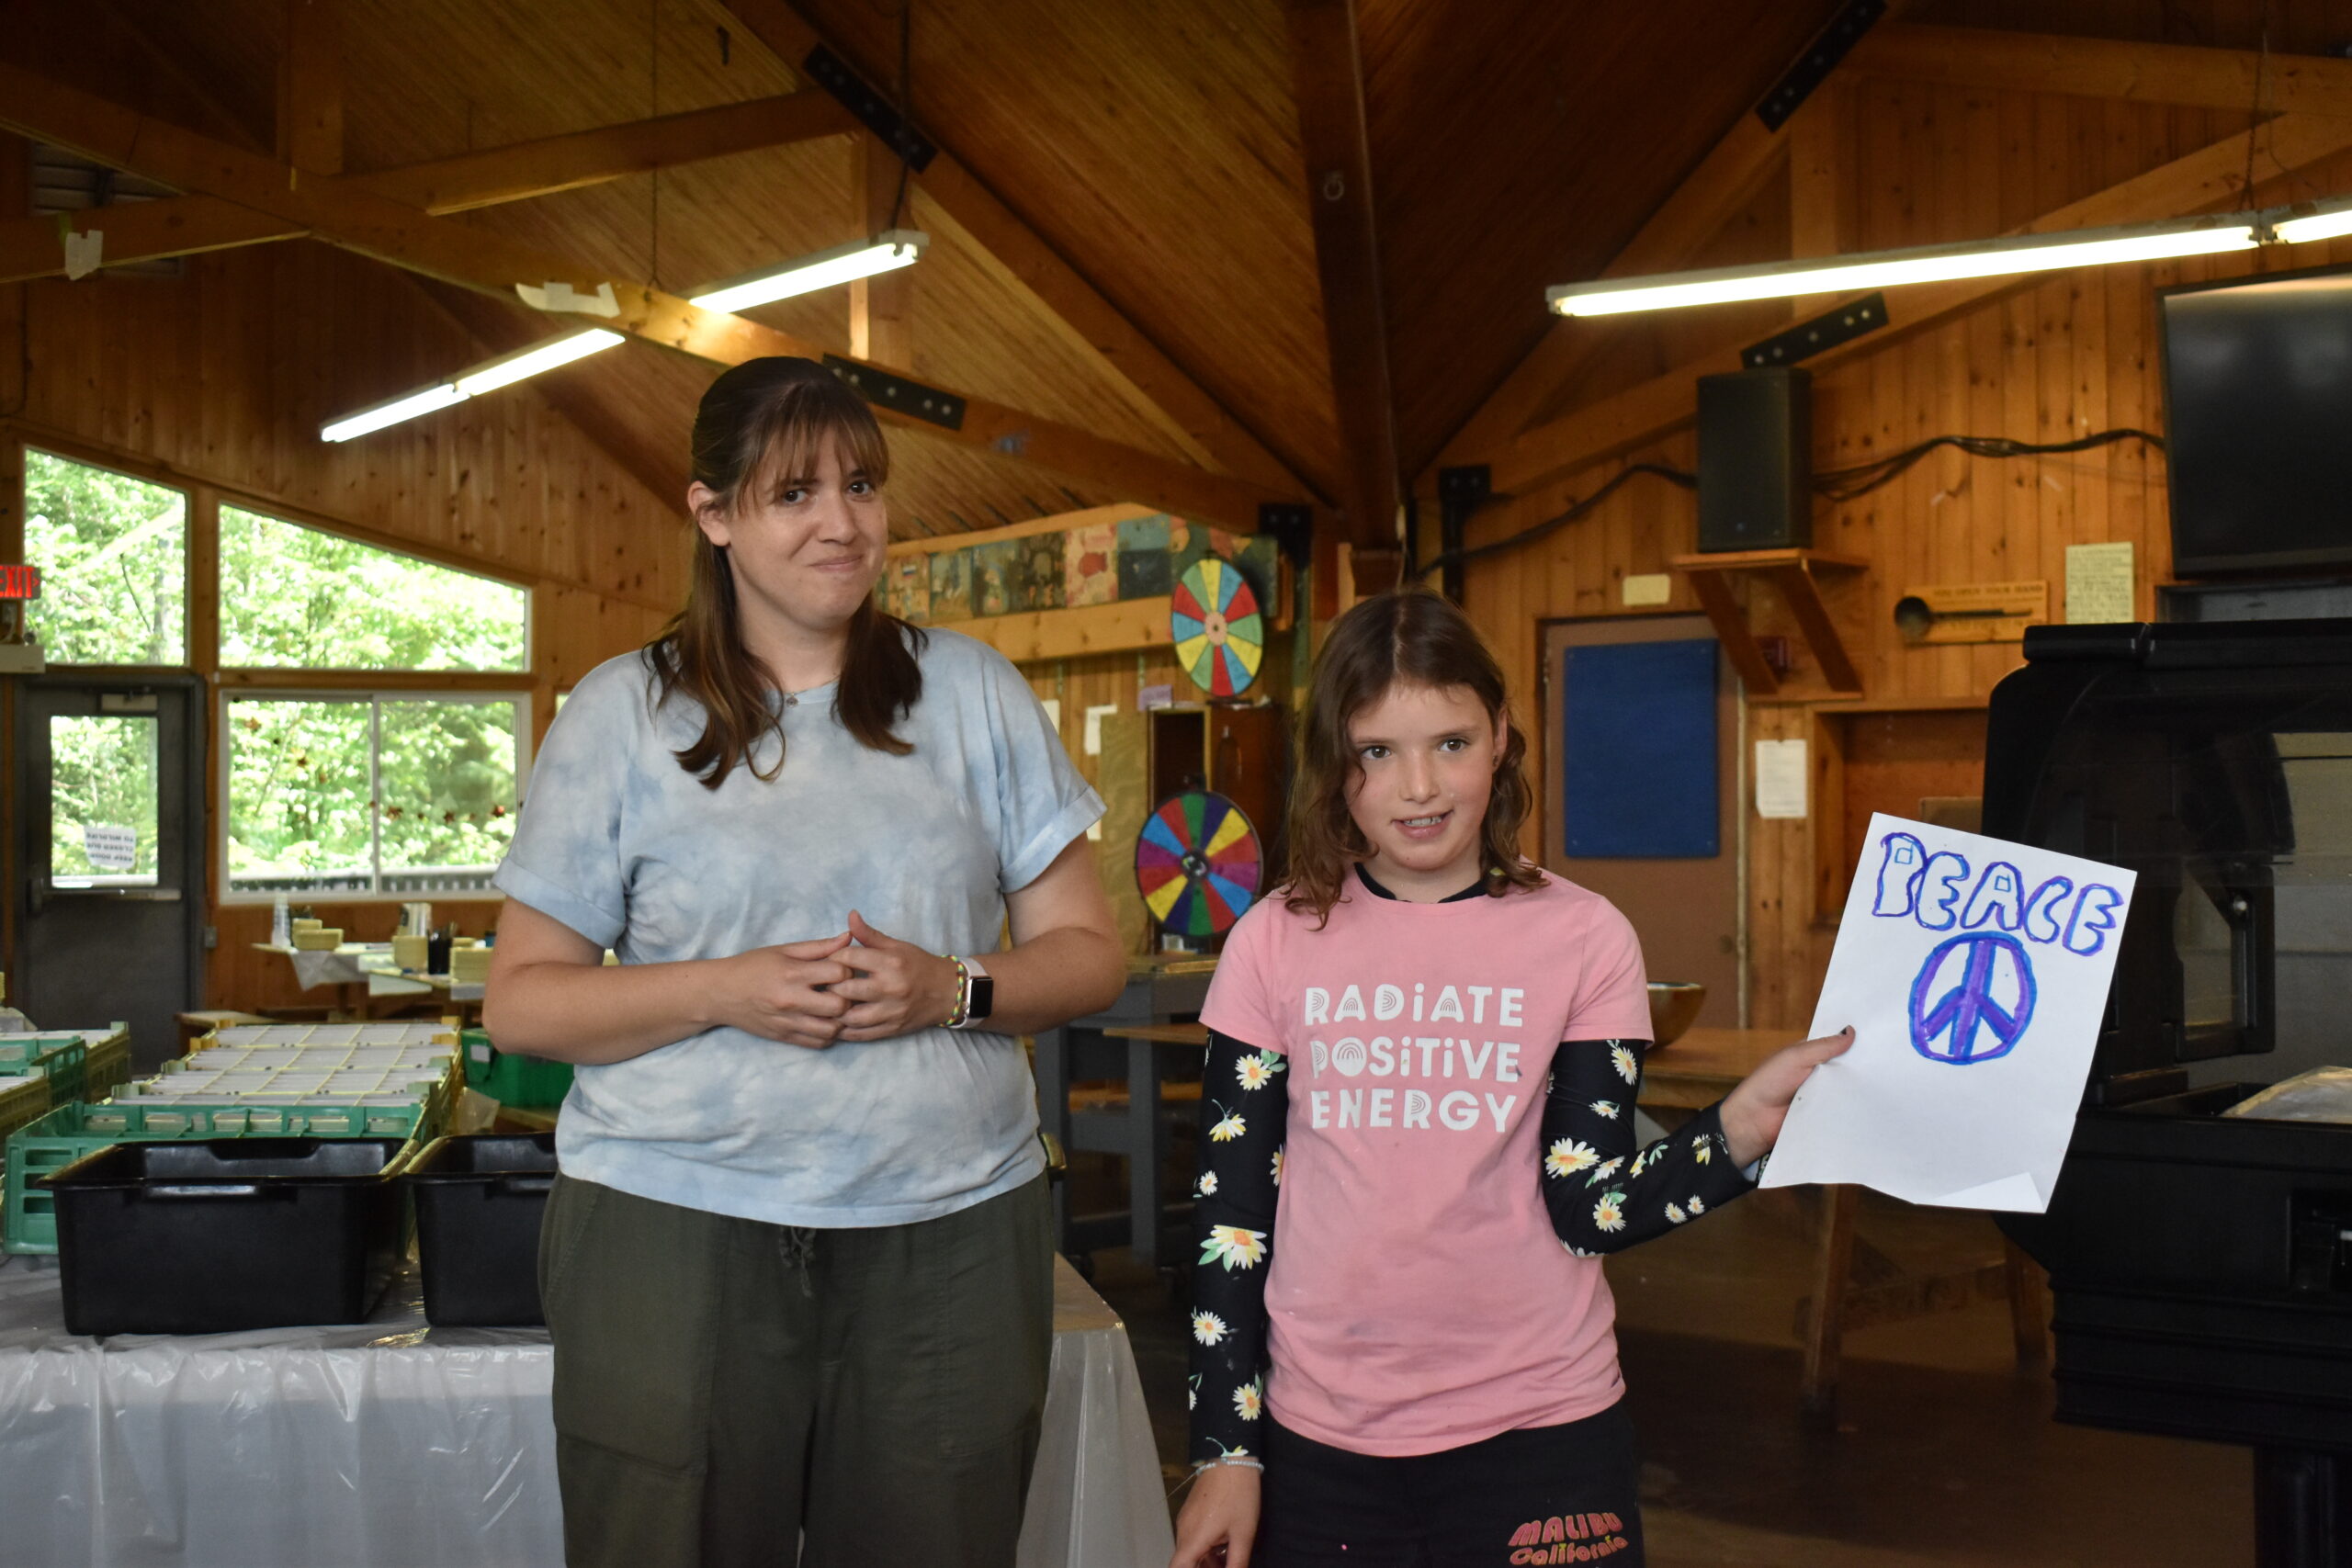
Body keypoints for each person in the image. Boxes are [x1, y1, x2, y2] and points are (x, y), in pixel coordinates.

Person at [482, 355, 1126, 1568]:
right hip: (674, 1224)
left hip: (948, 1228)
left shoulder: (973, 693)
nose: (842, 522)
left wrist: (952, 987)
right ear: (712, 513)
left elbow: (1090, 956)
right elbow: (520, 1005)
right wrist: (725, 988)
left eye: (862, 486)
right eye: (794, 493)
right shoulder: (619, 714)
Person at [1169, 589, 1852, 1568]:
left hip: (1545, 1436)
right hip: (1319, 1448)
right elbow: (1232, 1224)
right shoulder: (1272, 942)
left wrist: (1735, 1134)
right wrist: (1225, 1452)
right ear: (1334, 761)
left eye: (1450, 743)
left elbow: (1588, 1208)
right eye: (1377, 751)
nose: (1418, 787)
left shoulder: (1586, 938)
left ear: (1499, 736)